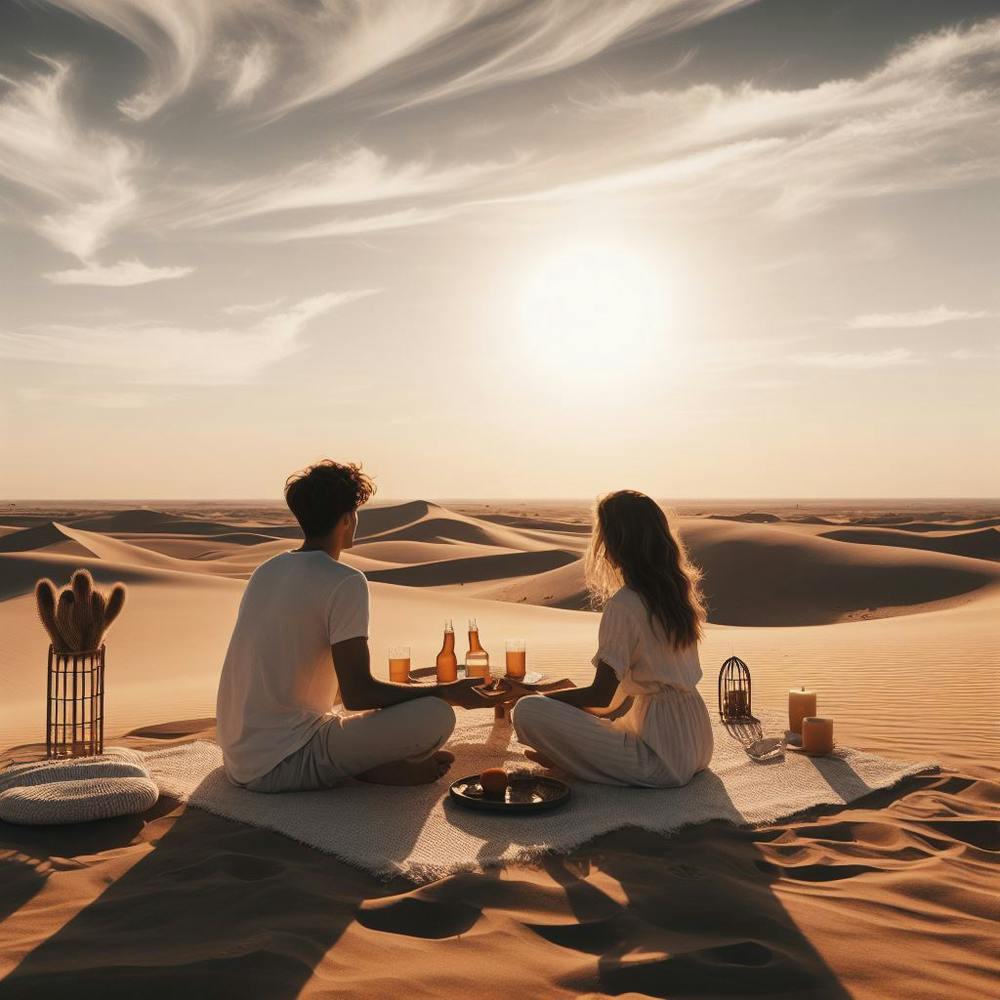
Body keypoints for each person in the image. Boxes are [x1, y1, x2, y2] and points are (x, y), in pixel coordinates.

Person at [215, 459, 506, 792]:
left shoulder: (266, 570)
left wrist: (405, 693)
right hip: (284, 761)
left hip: (238, 758)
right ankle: (368, 769)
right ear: (347, 518)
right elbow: (358, 694)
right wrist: (448, 691)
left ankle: (364, 765)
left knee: (402, 708)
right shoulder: (345, 582)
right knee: (438, 715)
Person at [509, 490, 714, 787]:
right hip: (697, 744)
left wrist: (533, 697)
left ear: (618, 546)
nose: (603, 551)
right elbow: (610, 702)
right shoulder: (677, 596)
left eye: (604, 539)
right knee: (591, 722)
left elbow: (601, 697)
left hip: (661, 758)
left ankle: (571, 761)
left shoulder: (625, 604)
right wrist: (564, 700)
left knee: (527, 710)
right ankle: (572, 757)